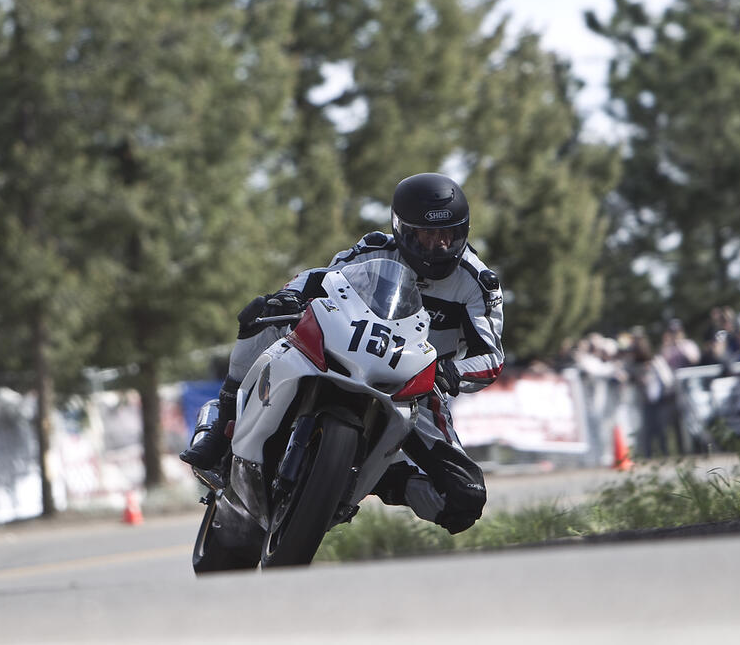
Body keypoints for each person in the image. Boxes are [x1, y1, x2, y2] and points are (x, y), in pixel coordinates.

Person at [180, 172, 505, 535]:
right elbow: (323, 278)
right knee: (261, 312)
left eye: (449, 235)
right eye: (426, 236)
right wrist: (290, 296)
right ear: (402, 230)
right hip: (345, 350)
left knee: (465, 498)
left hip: (417, 388)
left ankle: (381, 480)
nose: (438, 246)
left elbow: (491, 357)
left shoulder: (478, 283)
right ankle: (222, 425)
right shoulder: (374, 249)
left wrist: (452, 372)